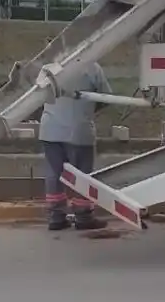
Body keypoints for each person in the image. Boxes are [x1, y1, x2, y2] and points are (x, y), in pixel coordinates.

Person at [39, 61, 112, 231]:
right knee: (82, 175)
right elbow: (106, 97)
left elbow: (37, 96)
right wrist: (87, 110)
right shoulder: (91, 67)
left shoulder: (48, 68)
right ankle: (83, 216)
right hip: (79, 130)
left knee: (53, 172)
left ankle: (56, 217)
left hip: (51, 129)